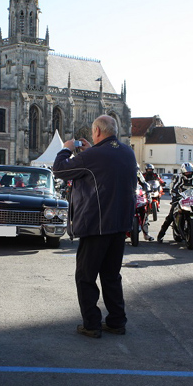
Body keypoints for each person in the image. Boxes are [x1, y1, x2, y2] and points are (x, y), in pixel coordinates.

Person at [53, 115, 137, 339]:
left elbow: (59, 170)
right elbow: (105, 167)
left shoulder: (93, 156)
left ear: (98, 131)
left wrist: (66, 149)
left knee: (86, 277)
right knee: (111, 275)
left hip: (96, 226)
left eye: (93, 131)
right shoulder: (127, 152)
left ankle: (91, 324)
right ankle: (117, 322)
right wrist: (92, 150)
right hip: (119, 225)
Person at [157, 162, 193, 243]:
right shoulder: (178, 177)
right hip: (181, 199)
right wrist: (174, 197)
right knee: (170, 216)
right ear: (183, 172)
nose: (188, 173)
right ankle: (161, 235)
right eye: (187, 172)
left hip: (192, 199)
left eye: (190, 172)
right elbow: (173, 188)